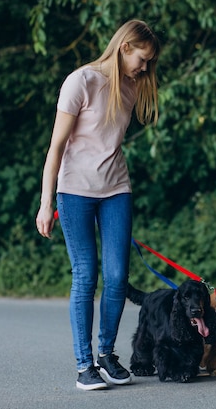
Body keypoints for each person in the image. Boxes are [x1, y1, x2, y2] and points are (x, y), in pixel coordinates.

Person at [35, 19, 160, 391]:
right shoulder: (81, 82)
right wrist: (46, 203)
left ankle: (106, 354)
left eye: (150, 62)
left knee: (118, 277)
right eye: (143, 58)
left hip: (116, 190)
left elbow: (108, 143)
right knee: (86, 275)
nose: (145, 67)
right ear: (124, 47)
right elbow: (56, 147)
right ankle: (83, 364)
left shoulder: (133, 87)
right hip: (74, 192)